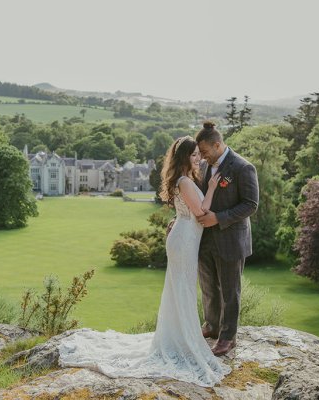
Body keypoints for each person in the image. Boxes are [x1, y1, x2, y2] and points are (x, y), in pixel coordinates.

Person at [58, 135, 230, 387]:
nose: (198, 159)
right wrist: (213, 188)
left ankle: (182, 335)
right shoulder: (184, 181)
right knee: (181, 288)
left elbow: (185, 211)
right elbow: (200, 212)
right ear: (184, 158)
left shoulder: (184, 180)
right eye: (193, 155)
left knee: (180, 288)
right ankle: (182, 339)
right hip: (184, 241)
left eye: (198, 154)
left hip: (186, 238)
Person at [195, 121, 259, 356]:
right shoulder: (203, 166)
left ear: (218, 145)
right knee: (208, 286)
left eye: (204, 151)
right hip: (204, 239)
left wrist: (218, 218)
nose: (201, 156)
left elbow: (251, 205)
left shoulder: (243, 167)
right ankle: (211, 326)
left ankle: (228, 337)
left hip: (231, 239)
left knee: (230, 291)